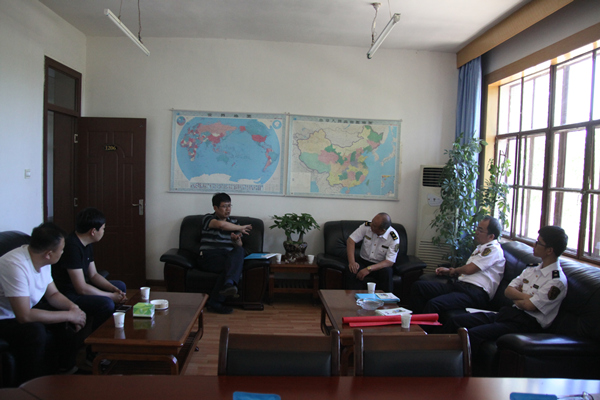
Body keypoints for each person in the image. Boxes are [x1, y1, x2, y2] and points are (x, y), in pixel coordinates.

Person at [448, 225, 568, 361]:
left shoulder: (556, 281)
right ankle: (441, 361)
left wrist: (520, 298)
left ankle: (464, 371)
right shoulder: (532, 269)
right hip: (510, 314)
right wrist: (527, 297)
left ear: (549, 250)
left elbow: (529, 306)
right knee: (456, 321)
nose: (534, 245)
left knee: (472, 334)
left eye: (538, 243)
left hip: (526, 325)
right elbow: (508, 291)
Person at [0, 222, 87, 383]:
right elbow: (24, 316)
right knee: (35, 331)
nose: (63, 252)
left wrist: (73, 308)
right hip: (5, 317)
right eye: (61, 249)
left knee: (66, 320)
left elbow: (53, 294)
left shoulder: (42, 259)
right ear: (49, 254)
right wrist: (68, 315)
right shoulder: (14, 265)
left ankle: (67, 370)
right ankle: (32, 385)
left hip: (24, 308)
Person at [409, 216, 505, 324]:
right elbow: (467, 271)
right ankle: (413, 323)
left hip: (475, 293)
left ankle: (423, 333)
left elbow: (469, 269)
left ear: (491, 236)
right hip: (461, 286)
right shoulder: (480, 248)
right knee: (419, 287)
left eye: (480, 230)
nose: (476, 232)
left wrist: (453, 271)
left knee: (434, 304)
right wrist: (449, 271)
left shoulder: (493, 250)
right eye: (477, 228)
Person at [52, 208, 127, 331]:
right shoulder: (72, 247)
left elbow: (93, 275)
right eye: (103, 229)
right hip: (68, 293)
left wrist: (113, 289)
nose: (103, 231)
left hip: (82, 286)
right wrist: (110, 296)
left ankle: (115, 325)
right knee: (107, 303)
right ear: (93, 231)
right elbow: (81, 288)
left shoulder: (86, 243)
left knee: (120, 285)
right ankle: (95, 337)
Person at [200, 193, 252, 314]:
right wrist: (240, 227)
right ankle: (222, 293)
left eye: (229, 206)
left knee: (239, 251)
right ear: (215, 208)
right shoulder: (208, 218)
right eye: (224, 206)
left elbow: (239, 245)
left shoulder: (234, 222)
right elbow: (221, 225)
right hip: (209, 256)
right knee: (231, 267)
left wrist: (236, 240)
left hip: (227, 256)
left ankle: (224, 290)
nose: (228, 209)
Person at [346, 213, 399, 293]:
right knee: (351, 270)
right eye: (372, 222)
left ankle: (387, 299)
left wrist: (369, 269)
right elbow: (351, 240)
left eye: (374, 226)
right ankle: (350, 298)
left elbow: (389, 262)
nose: (371, 225)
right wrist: (352, 262)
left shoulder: (393, 238)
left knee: (387, 273)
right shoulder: (367, 226)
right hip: (363, 261)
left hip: (380, 266)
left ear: (382, 230)